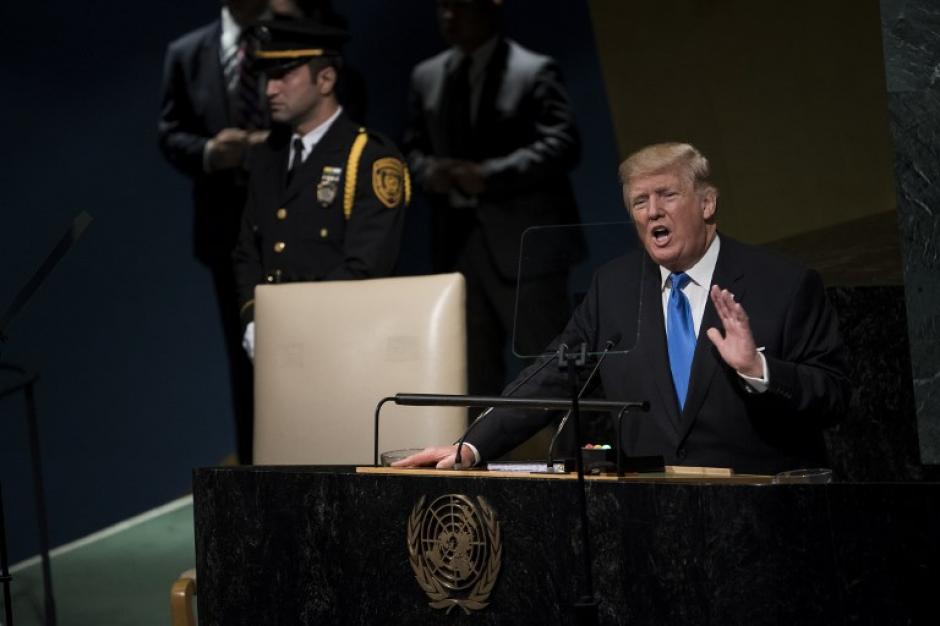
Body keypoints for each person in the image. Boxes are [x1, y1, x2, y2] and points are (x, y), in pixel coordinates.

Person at [396, 142, 850, 475]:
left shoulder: (784, 283)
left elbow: (833, 395)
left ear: (708, 203)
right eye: (639, 201)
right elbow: (554, 374)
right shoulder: (613, 286)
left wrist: (758, 369)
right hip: (649, 515)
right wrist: (471, 447)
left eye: (667, 195)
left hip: (759, 511)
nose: (653, 212)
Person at [403, 0, 582, 400]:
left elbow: (563, 144)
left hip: (523, 246)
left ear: (489, 10)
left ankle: (579, 456)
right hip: (457, 246)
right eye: (442, 7)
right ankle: (473, 458)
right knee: (470, 372)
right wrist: (429, 171)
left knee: (550, 364)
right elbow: (410, 149)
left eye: (460, 7)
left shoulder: (533, 70)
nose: (448, 16)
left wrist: (488, 175)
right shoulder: (426, 76)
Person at [233, 17, 408, 355]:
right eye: (268, 77)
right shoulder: (267, 156)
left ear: (325, 79)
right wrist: (253, 318)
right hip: (274, 340)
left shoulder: (368, 156)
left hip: (343, 342)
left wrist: (296, 323)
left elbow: (366, 267)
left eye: (284, 75)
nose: (270, 89)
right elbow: (247, 251)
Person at [158, 0, 271, 464]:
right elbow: (169, 132)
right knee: (242, 356)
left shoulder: (289, 38)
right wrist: (209, 152)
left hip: (295, 220)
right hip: (225, 230)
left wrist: (273, 144)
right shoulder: (186, 52)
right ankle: (253, 473)